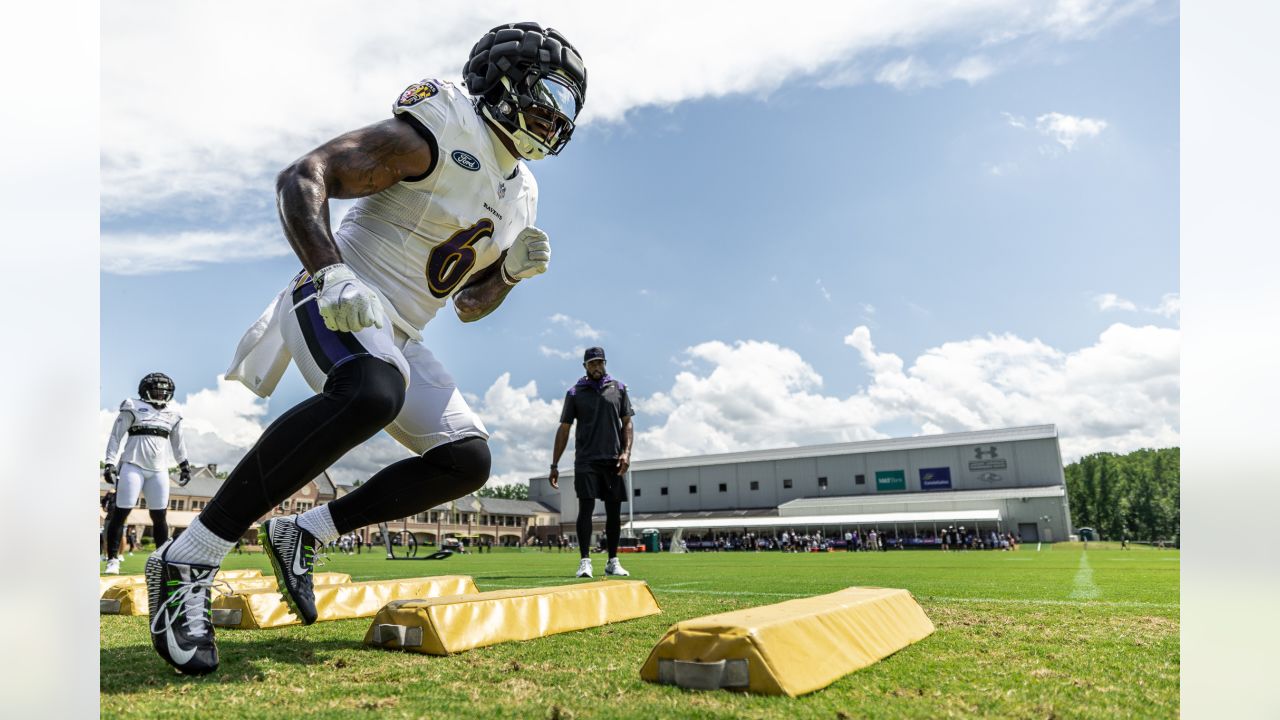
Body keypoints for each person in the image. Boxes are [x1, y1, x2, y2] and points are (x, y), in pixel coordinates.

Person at [142, 21, 588, 676]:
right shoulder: (440, 128)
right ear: (507, 81)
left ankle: (306, 531)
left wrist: (509, 274)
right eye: (553, 93)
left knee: (466, 459)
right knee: (376, 389)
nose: (559, 115)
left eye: (570, 105)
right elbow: (304, 175)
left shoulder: (521, 191)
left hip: (400, 329)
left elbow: (467, 304)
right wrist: (331, 270)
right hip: (333, 293)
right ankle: (189, 557)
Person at [549, 347, 634, 579]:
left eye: (599, 362)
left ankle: (612, 561)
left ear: (605, 363)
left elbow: (627, 422)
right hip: (586, 460)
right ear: (585, 366)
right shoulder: (575, 392)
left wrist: (626, 452)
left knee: (614, 512)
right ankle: (585, 561)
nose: (596, 367)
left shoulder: (619, 389)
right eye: (591, 363)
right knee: (585, 509)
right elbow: (564, 428)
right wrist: (554, 465)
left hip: (613, 459)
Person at [102, 373, 192, 575]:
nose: (160, 394)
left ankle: (160, 559)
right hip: (133, 465)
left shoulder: (174, 413)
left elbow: (178, 443)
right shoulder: (132, 406)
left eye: (164, 391)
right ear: (145, 390)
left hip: (159, 469)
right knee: (121, 512)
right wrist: (109, 463)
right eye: (157, 390)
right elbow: (116, 437)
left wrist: (184, 465)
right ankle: (113, 560)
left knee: (160, 516)